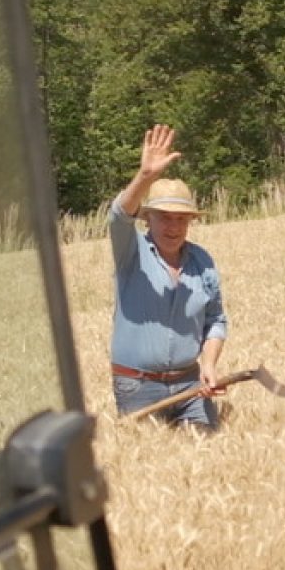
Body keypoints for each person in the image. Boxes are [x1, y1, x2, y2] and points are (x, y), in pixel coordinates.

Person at [108, 124, 227, 430]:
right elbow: (119, 217)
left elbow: (215, 321)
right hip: (138, 387)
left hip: (189, 386)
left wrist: (209, 365)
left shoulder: (202, 262)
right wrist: (146, 175)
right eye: (165, 218)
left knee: (206, 452)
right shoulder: (131, 252)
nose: (173, 227)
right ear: (148, 218)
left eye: (181, 219)